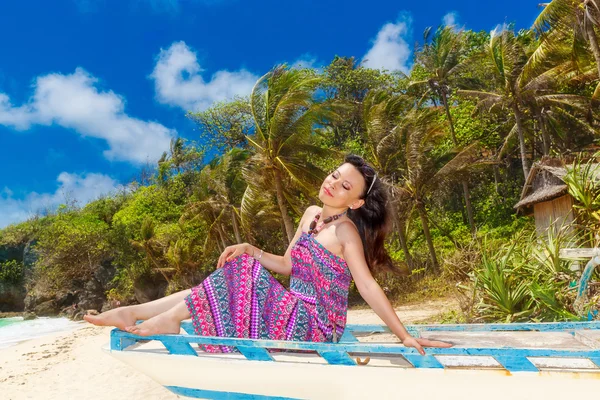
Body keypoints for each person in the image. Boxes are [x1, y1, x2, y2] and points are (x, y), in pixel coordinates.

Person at [85, 154, 451, 355]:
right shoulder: (310, 214)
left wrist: (403, 335)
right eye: (334, 174)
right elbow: (289, 265)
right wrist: (251, 248)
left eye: (344, 185)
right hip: (292, 309)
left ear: (355, 201)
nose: (332, 182)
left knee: (239, 271)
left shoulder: (345, 232)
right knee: (230, 271)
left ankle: (158, 319)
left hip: (317, 327)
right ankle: (134, 313)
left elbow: (368, 287)